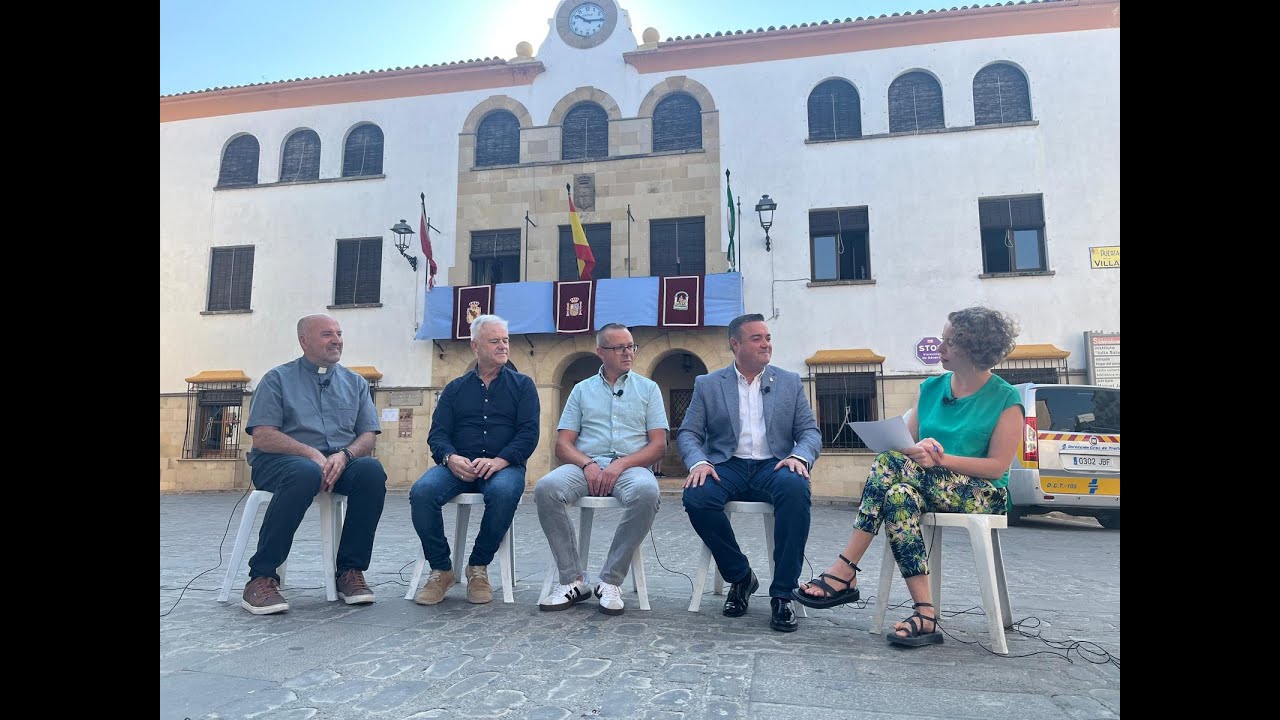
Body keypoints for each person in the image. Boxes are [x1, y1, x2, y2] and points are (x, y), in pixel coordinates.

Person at [793, 306, 1023, 648]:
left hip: (982, 492)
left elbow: (998, 467)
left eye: (949, 342)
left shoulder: (1005, 398)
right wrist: (915, 450)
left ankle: (845, 569)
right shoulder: (932, 388)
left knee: (890, 464)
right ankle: (926, 614)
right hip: (927, 483)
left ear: (973, 350)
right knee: (898, 495)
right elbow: (906, 442)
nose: (940, 347)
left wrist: (941, 458)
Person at [678, 313, 820, 633]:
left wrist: (799, 456)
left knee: (796, 489)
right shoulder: (708, 384)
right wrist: (699, 462)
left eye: (767, 337)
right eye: (756, 338)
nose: (766, 344)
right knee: (697, 496)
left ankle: (783, 594)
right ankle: (741, 576)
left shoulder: (789, 382)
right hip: (727, 465)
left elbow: (810, 432)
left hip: (775, 464)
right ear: (735, 344)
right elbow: (688, 434)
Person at [240, 314, 386, 615]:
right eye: (326, 334)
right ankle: (261, 577)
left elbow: (368, 436)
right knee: (304, 472)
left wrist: (345, 455)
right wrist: (309, 453)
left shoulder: (356, 383)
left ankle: (350, 571)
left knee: (371, 471)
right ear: (304, 341)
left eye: (339, 333)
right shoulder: (277, 379)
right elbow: (263, 436)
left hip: (337, 462)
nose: (336, 339)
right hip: (281, 463)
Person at [535, 323, 667, 616]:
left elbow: (658, 445)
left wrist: (621, 463)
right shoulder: (581, 390)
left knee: (647, 492)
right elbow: (563, 444)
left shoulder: (649, 388)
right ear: (600, 352)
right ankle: (573, 580)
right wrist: (588, 464)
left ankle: (610, 580)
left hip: (631, 466)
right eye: (619, 347)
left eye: (631, 346)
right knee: (546, 488)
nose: (628, 352)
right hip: (587, 464)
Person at [410, 315, 539, 605]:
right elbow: (438, 435)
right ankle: (441, 569)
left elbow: (528, 434)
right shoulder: (455, 389)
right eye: (494, 341)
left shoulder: (523, 386)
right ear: (475, 346)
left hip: (502, 467)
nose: (503, 346)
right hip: (457, 467)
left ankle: (478, 567)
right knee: (422, 492)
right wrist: (450, 457)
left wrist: (499, 461)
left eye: (505, 340)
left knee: (505, 492)